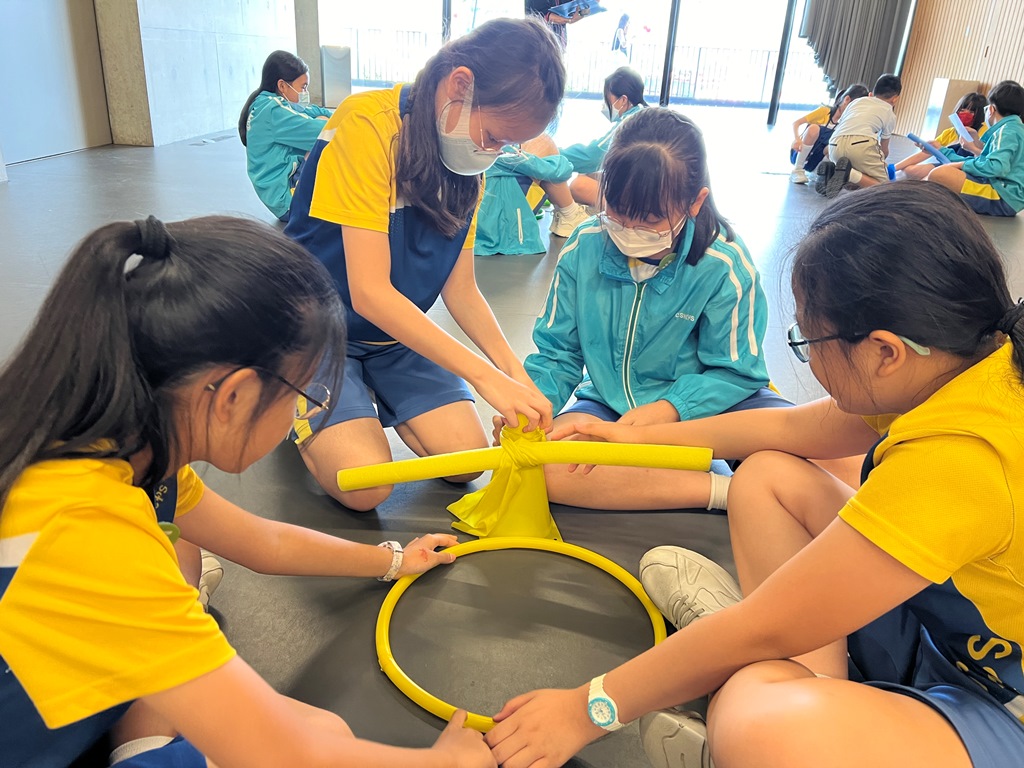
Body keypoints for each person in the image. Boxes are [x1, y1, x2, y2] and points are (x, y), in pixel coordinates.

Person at [484, 181, 1024, 768]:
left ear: (884, 351)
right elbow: (791, 429)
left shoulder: (961, 457)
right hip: (951, 635)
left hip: (1002, 701)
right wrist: (633, 436)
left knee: (764, 729)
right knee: (766, 476)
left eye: (808, 340)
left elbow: (766, 627)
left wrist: (586, 709)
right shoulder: (965, 361)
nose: (808, 357)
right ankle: (801, 683)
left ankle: (756, 696)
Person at [0, 216, 494, 768]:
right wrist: (449, 763)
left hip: (68, 682)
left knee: (310, 716)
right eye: (302, 393)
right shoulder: (96, 536)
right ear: (233, 396)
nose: (305, 410)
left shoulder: (115, 444)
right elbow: (285, 753)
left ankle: (143, 735)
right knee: (321, 733)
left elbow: (263, 542)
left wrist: (394, 560)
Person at [284, 18, 563, 511]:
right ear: (460, 84)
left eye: (504, 145)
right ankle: (287, 387)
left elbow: (462, 290)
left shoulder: (466, 163)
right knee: (364, 487)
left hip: (393, 337)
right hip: (316, 332)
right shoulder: (368, 126)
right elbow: (369, 292)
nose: (493, 152)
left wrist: (514, 373)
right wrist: (487, 379)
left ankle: (361, 398)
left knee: (467, 461)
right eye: (494, 136)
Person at [508, 108, 786, 512]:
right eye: (616, 210)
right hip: (611, 407)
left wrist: (672, 408)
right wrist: (530, 409)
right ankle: (726, 492)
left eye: (651, 220)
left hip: (708, 411)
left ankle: (688, 476)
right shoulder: (584, 247)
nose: (627, 229)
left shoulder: (723, 264)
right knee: (544, 464)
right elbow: (557, 353)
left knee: (820, 457)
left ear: (695, 202)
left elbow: (736, 371)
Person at [238, 51, 333, 221]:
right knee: (326, 139)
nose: (305, 92)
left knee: (323, 121)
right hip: (289, 202)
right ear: (282, 86)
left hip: (281, 198)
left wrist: (338, 115)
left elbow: (312, 111)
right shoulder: (273, 111)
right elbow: (321, 130)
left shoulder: (267, 103)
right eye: (303, 87)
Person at [925, 80, 1024, 217]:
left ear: (991, 109)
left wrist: (961, 164)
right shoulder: (1014, 129)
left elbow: (997, 167)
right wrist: (943, 151)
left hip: (1001, 196)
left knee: (939, 174)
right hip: (1005, 194)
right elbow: (983, 162)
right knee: (935, 174)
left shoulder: (1006, 131)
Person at [563, 66, 649, 209]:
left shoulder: (629, 122)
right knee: (590, 175)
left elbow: (592, 156)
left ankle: (622, 213)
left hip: (643, 196)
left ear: (623, 100)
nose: (604, 105)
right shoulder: (644, 115)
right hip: (646, 186)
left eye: (607, 99)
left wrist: (553, 153)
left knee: (578, 185)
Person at [816, 73, 901, 198]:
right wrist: (880, 162)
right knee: (884, 187)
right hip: (861, 144)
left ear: (872, 93)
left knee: (859, 174)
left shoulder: (856, 102)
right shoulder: (889, 112)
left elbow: (841, 124)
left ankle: (831, 171)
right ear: (895, 99)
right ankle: (850, 174)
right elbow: (884, 149)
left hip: (834, 144)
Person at [893, 92, 988, 179]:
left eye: (971, 112)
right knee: (909, 171)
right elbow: (927, 152)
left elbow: (983, 159)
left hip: (968, 169)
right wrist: (894, 168)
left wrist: (973, 147)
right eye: (962, 110)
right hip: (946, 165)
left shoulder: (984, 133)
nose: (965, 114)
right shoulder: (950, 132)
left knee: (932, 175)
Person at [788, 83, 868, 184]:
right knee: (813, 128)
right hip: (800, 153)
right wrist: (797, 139)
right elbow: (796, 123)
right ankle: (797, 171)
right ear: (847, 100)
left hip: (818, 160)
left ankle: (820, 174)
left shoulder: (848, 123)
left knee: (838, 145)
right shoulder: (824, 111)